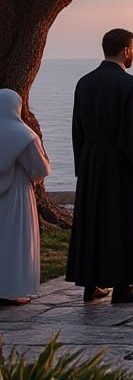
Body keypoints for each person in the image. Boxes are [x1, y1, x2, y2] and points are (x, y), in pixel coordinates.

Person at [66, 28, 133, 304]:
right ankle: (123, 287)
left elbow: (77, 128)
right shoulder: (130, 85)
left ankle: (91, 285)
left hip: (91, 162)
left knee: (95, 222)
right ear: (125, 51)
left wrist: (82, 165)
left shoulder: (84, 83)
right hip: (121, 164)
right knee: (123, 222)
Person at [0, 89, 51, 305]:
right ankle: (12, 290)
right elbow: (39, 169)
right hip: (17, 194)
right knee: (15, 241)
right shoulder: (24, 135)